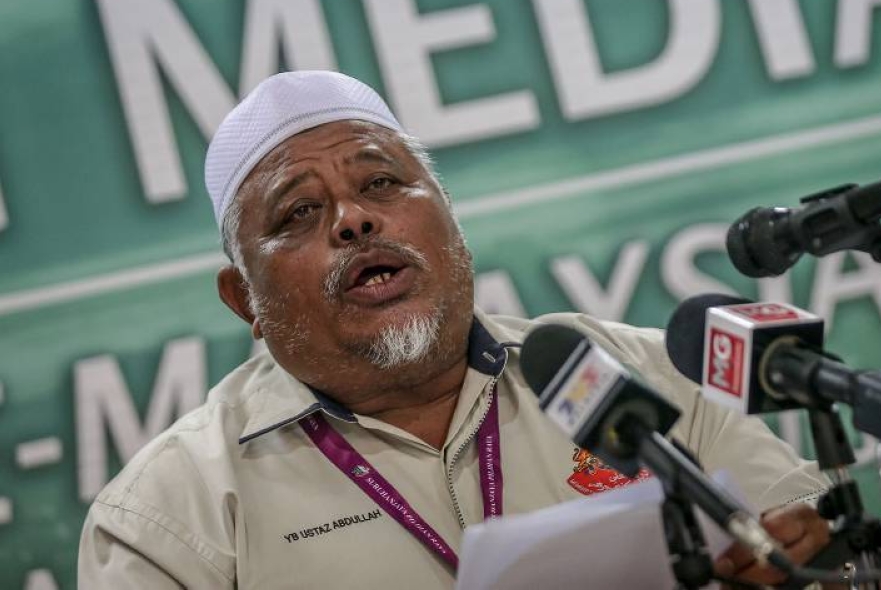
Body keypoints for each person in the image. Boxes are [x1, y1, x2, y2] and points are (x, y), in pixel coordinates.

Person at [78, 71, 830, 588]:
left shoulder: (637, 375)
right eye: (299, 213)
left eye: (380, 183)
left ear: (450, 222)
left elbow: (816, 546)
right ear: (245, 301)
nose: (354, 218)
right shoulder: (167, 515)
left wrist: (793, 561)